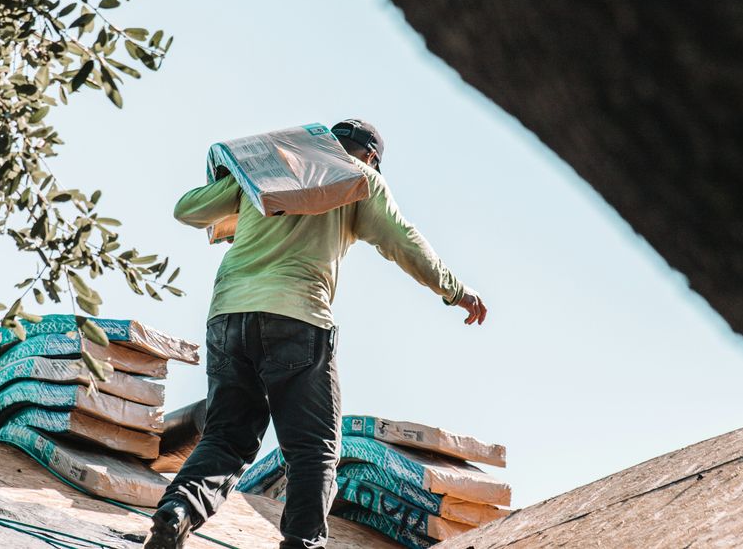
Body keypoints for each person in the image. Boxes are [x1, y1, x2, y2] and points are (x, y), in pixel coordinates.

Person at [145, 119, 487, 549]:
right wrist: (457, 292)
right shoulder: (361, 181)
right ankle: (301, 544)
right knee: (315, 448)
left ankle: (177, 510)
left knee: (226, 436)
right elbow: (405, 243)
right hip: (298, 319)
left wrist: (236, 179)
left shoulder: (270, 171)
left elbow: (187, 210)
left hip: (228, 317)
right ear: (371, 158)